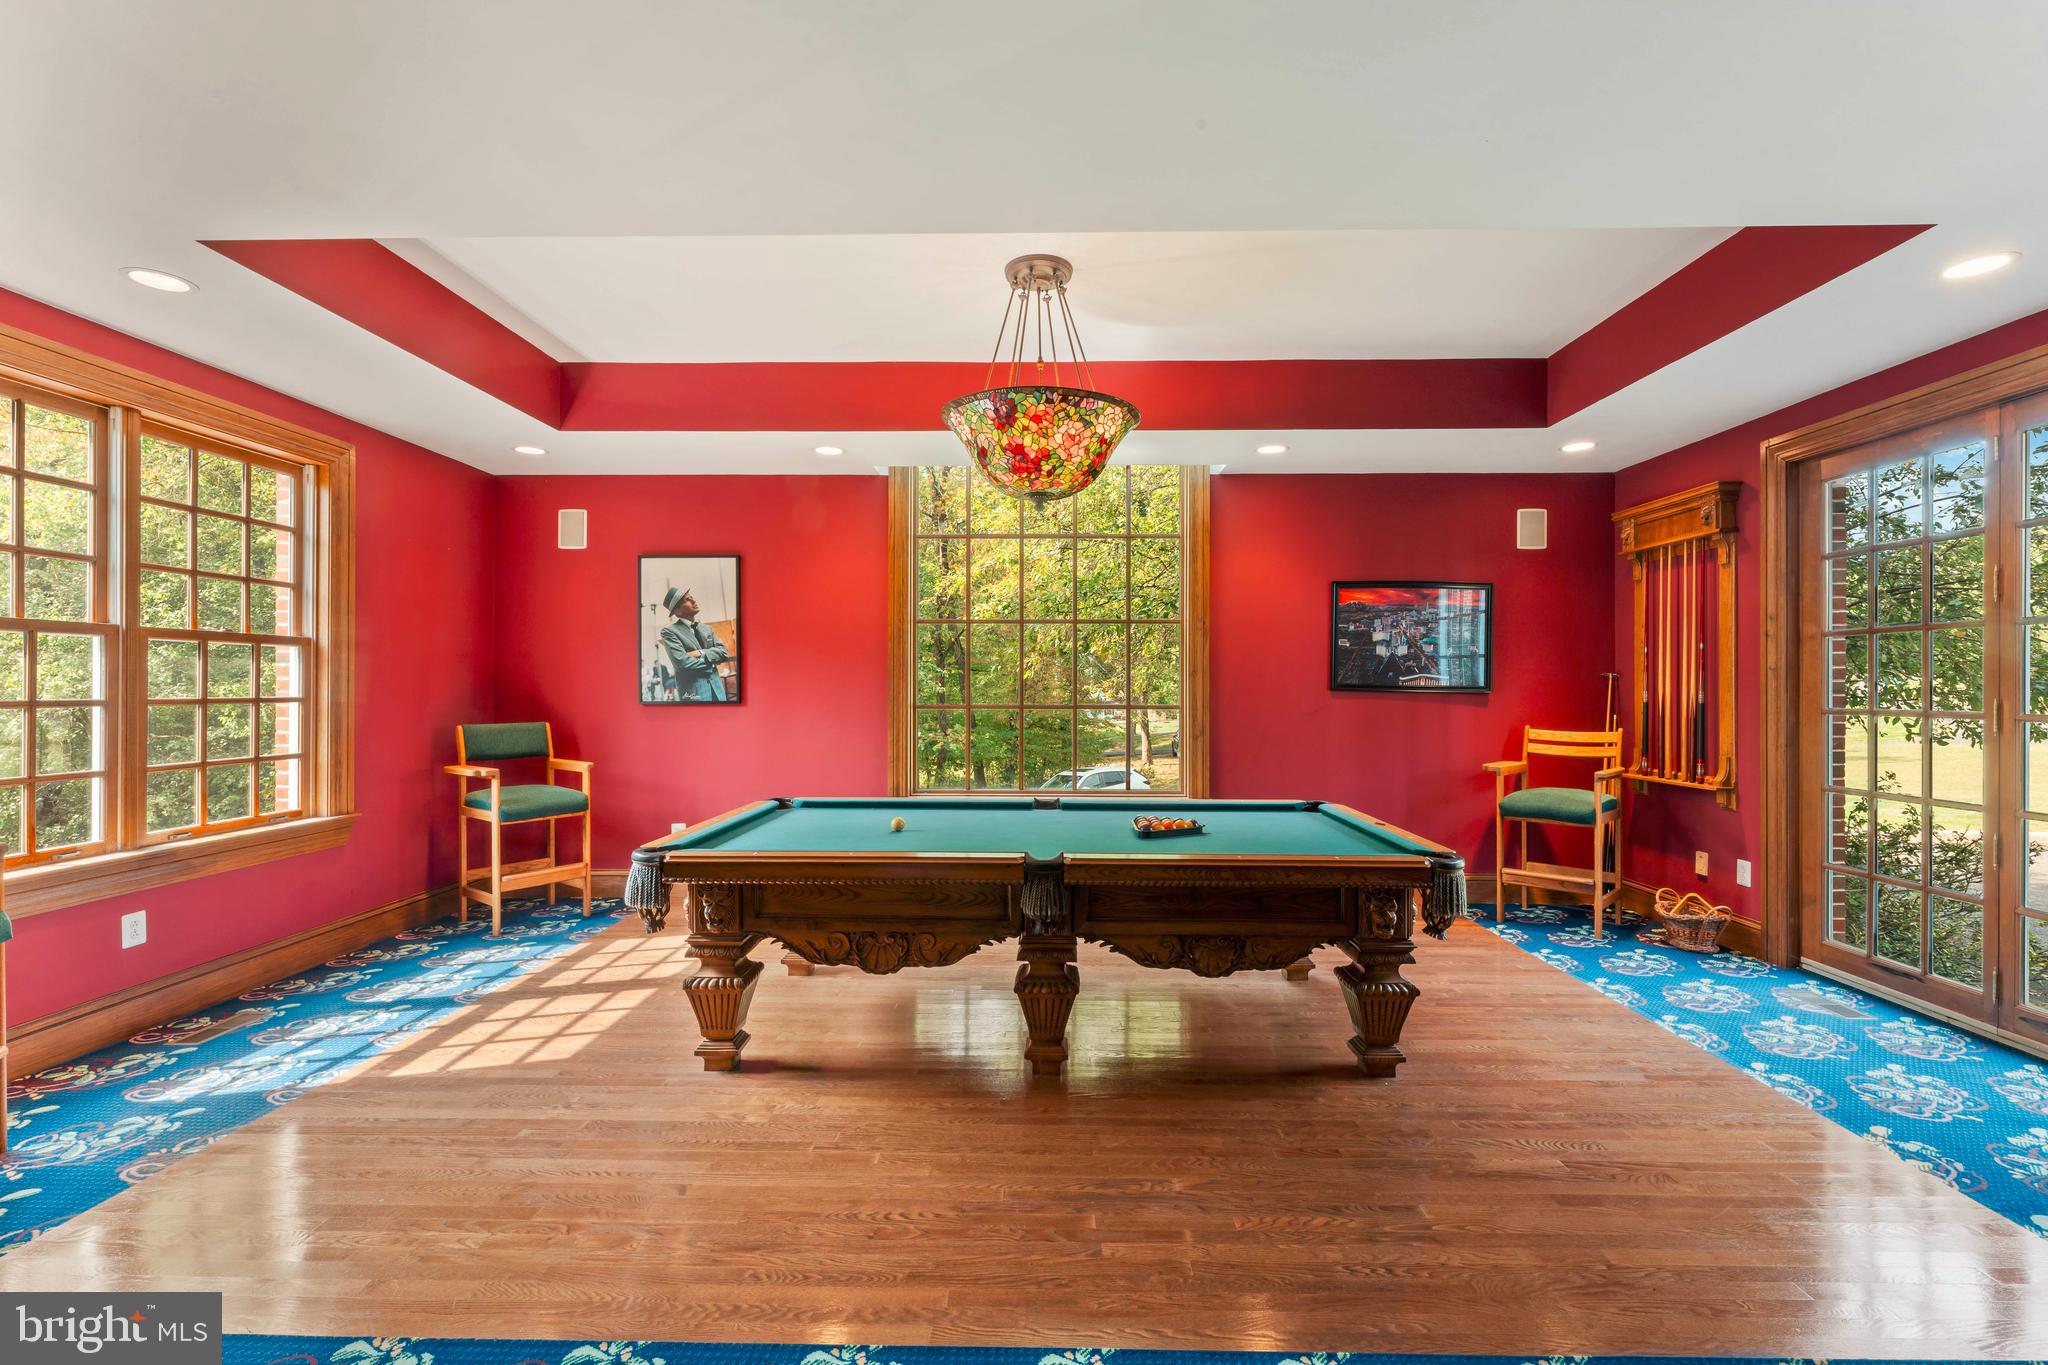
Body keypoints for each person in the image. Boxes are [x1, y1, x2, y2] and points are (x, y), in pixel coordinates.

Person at [659, 586, 730, 702]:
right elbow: (682, 664)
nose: (694, 601)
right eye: (687, 599)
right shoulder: (669, 632)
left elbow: (724, 652)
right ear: (677, 611)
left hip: (718, 692)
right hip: (694, 695)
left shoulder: (707, 629)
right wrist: (712, 663)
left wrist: (700, 653)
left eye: (692, 597)